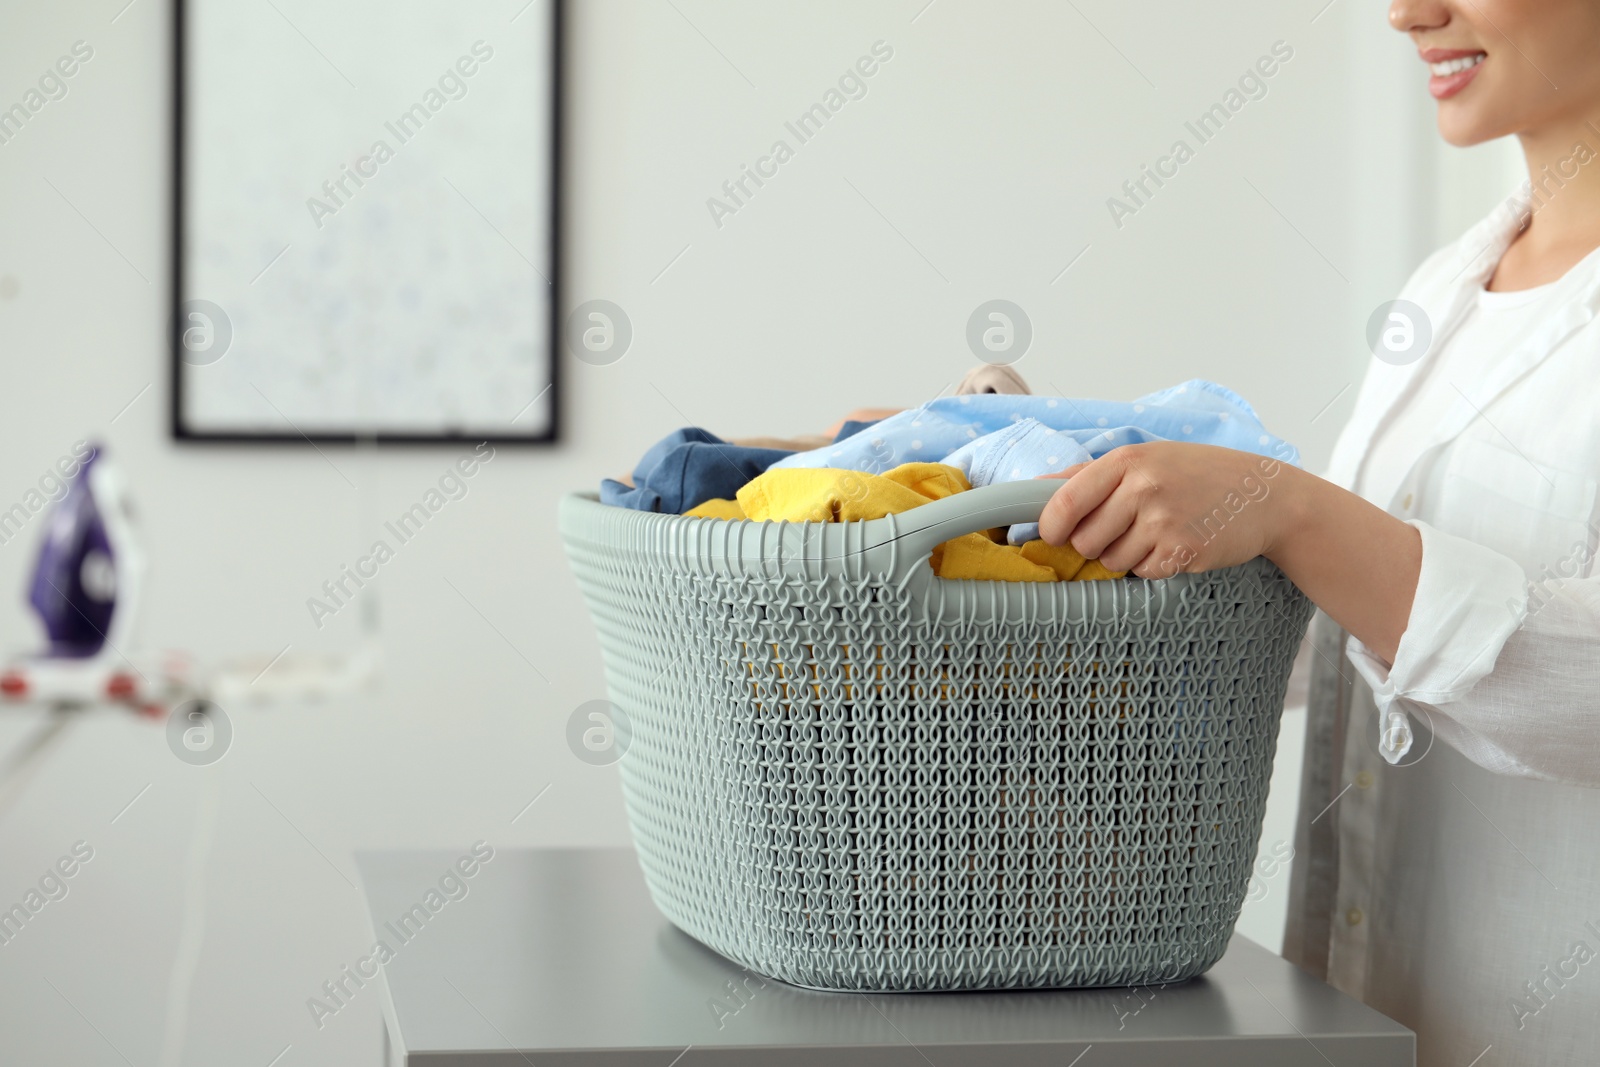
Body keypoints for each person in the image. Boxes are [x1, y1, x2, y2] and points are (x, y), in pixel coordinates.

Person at [1037, 1, 1600, 1062]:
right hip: (1374, 1015)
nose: (1407, 13)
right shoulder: (1449, 289)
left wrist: (1289, 509)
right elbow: (1345, 628)